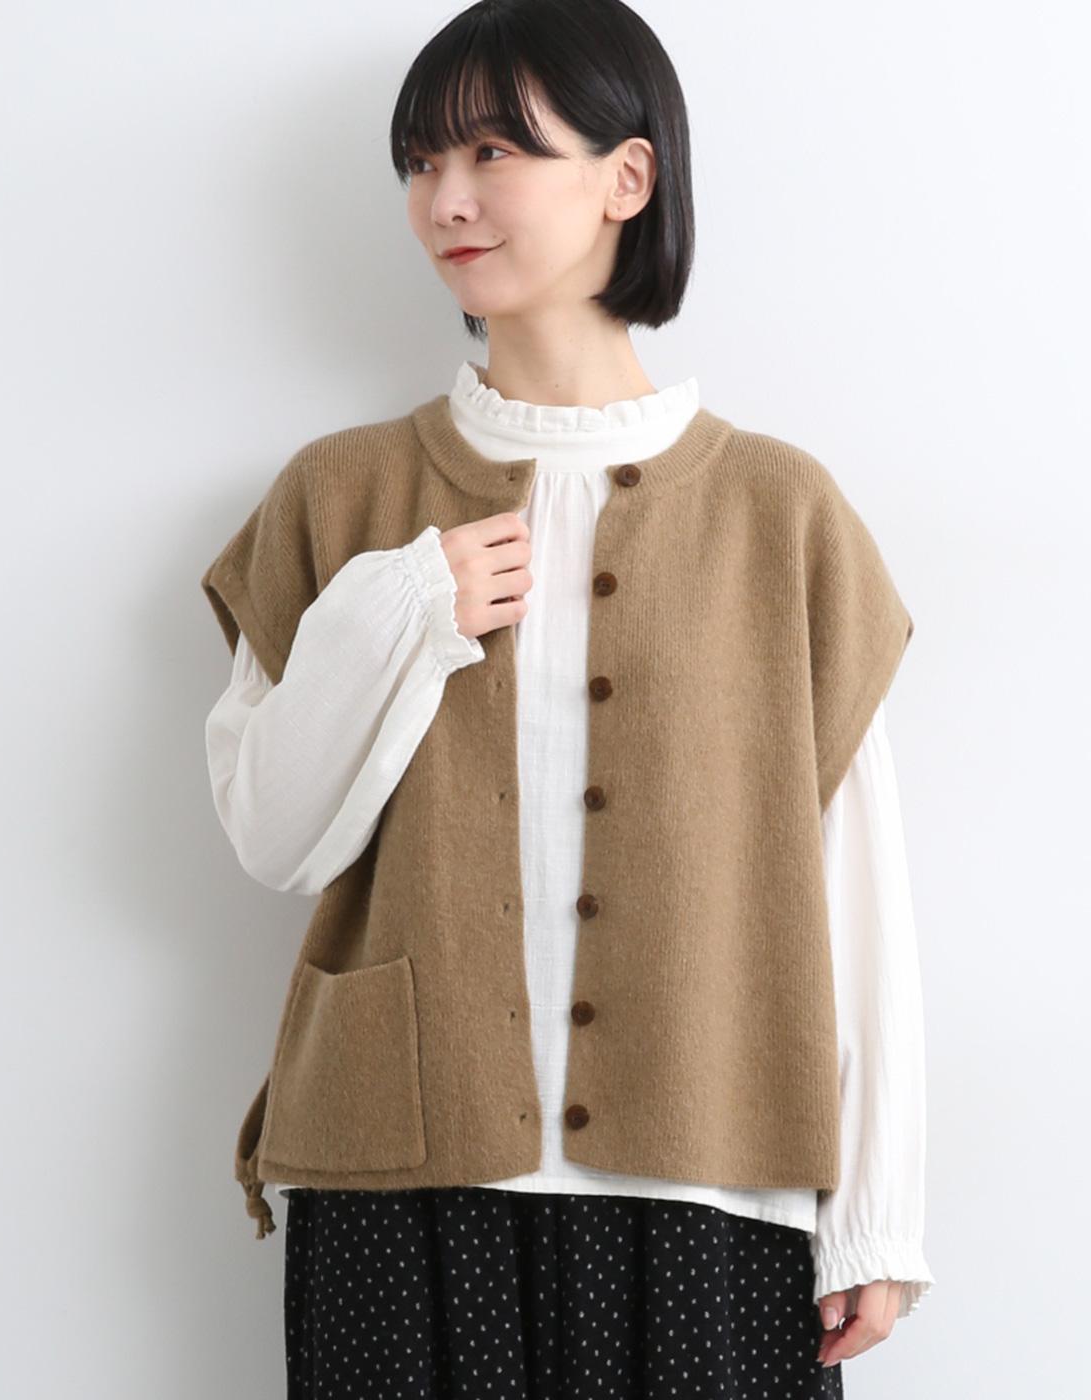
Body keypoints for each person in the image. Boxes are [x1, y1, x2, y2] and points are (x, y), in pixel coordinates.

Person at [201, 1, 935, 1394]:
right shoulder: (340, 497)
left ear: (627, 178)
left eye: (493, 151)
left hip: (713, 1195)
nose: (446, 199)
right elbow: (272, 838)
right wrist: (400, 612)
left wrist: (877, 1213)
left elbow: (857, 881)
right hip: (397, 1191)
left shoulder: (781, 514)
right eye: (421, 161)